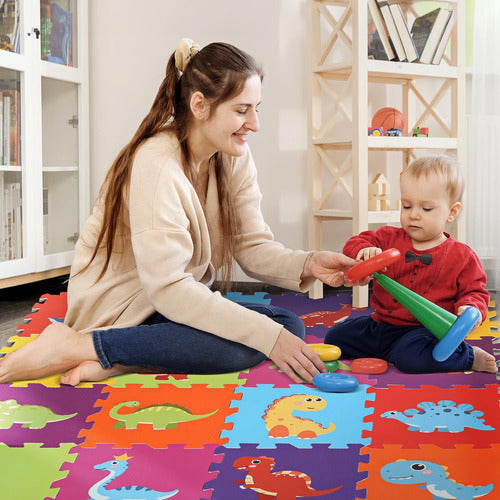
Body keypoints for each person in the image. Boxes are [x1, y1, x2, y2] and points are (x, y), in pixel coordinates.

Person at [0, 39, 367, 386]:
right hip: (127, 305)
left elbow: (250, 244)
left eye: (256, 109)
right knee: (262, 340)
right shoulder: (156, 164)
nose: (254, 124)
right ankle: (80, 346)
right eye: (242, 110)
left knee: (287, 326)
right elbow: (168, 289)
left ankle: (125, 359)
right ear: (199, 106)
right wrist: (269, 339)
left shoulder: (233, 155)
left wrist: (309, 264)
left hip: (171, 300)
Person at [325, 154, 498, 374]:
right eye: (407, 206)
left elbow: (475, 291)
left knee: (411, 359)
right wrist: (364, 250)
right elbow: (355, 243)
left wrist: (471, 308)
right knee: (335, 338)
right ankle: (391, 351)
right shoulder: (388, 237)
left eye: (426, 209)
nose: (414, 215)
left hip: (424, 333)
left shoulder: (462, 255)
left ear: (452, 212)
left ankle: (467, 356)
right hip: (381, 324)